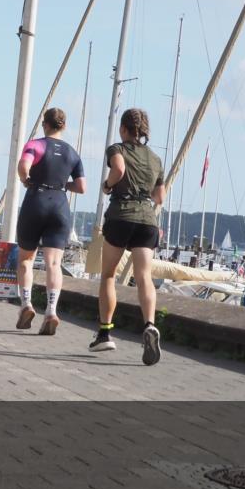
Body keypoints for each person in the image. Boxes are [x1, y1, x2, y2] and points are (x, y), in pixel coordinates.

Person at [92, 108, 166, 365]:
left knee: (109, 274)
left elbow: (119, 169)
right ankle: (149, 324)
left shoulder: (117, 149)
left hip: (121, 216)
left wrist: (108, 185)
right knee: (144, 276)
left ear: (124, 129)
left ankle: (105, 333)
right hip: (147, 220)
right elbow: (160, 197)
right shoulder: (155, 159)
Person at [14, 108, 86, 335]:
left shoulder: (36, 145)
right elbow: (82, 187)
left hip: (36, 200)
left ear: (45, 124)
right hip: (60, 206)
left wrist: (26, 179)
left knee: (26, 259)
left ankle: (26, 305)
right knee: (54, 264)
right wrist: (64, 185)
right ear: (63, 126)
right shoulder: (73, 154)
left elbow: (23, 166)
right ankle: (52, 310)